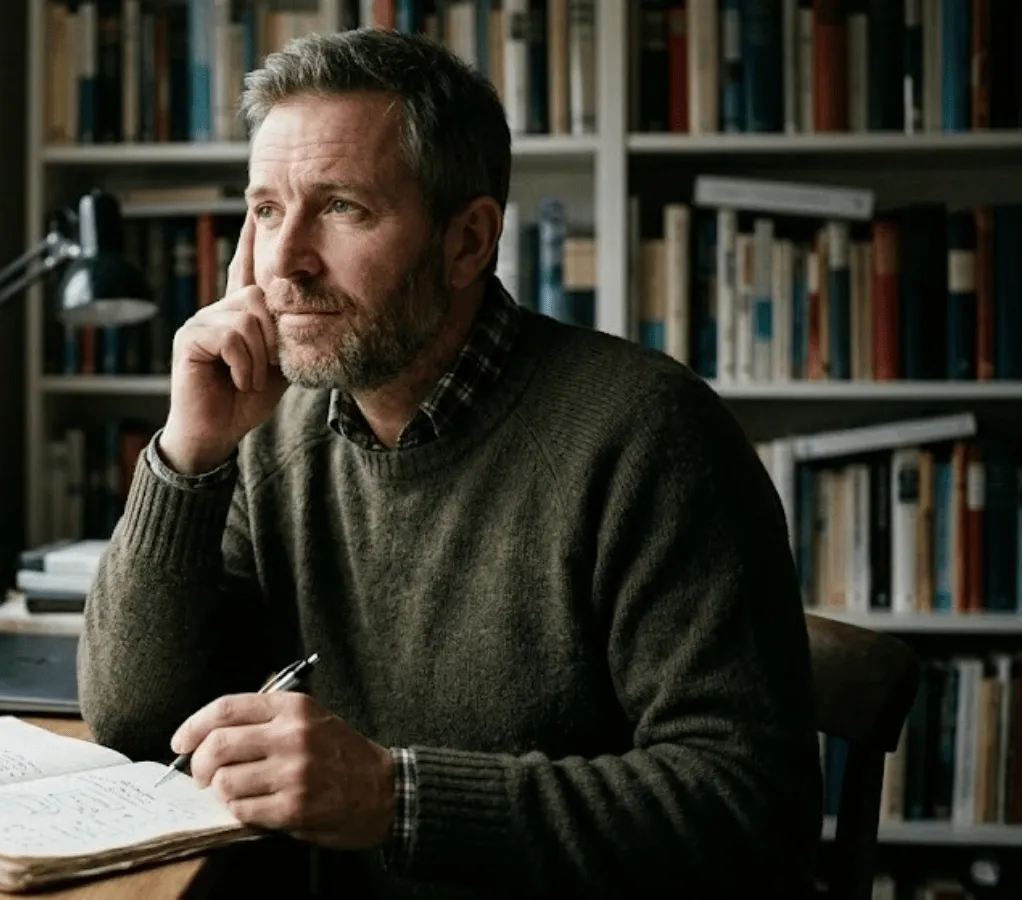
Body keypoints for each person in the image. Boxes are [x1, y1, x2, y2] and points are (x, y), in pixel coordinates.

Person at [77, 26, 821, 899]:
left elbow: (752, 811)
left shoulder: (651, 435)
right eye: (268, 210)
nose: (283, 263)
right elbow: (134, 722)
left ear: (469, 241)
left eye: (342, 207)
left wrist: (398, 799)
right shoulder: (272, 431)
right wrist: (188, 455)